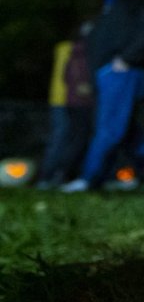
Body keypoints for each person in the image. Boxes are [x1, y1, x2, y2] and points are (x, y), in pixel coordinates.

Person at [61, 0, 144, 192]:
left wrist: (128, 59)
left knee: (109, 127)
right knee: (128, 129)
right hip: (106, 72)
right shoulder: (115, 2)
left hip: (124, 72)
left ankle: (90, 178)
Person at [35, 21, 94, 189]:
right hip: (67, 100)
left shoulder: (64, 48)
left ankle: (54, 176)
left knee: (66, 138)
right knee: (62, 138)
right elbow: (69, 76)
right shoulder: (74, 50)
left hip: (63, 99)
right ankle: (49, 176)